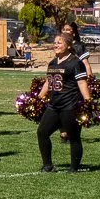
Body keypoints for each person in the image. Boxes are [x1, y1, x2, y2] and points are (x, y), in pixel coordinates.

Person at [36, 34, 92, 173]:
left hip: (70, 105)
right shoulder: (53, 63)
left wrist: (88, 102)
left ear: (68, 46)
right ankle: (47, 165)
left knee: (73, 137)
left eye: (59, 43)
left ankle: (73, 168)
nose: (56, 45)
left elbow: (81, 82)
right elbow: (49, 82)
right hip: (54, 106)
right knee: (42, 132)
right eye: (55, 42)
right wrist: (39, 97)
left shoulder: (75, 62)